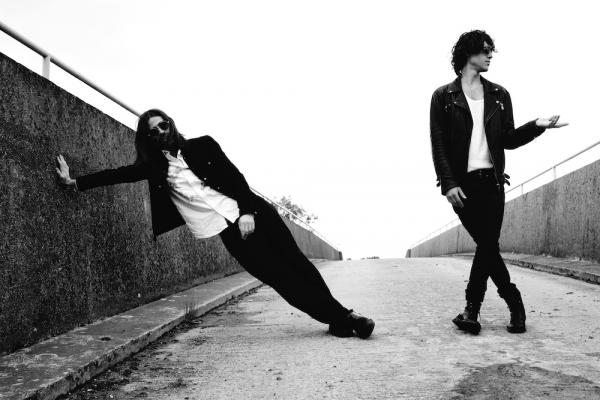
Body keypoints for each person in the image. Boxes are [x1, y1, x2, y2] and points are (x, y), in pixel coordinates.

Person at [56, 109, 375, 339]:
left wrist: (247, 212)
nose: (160, 132)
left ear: (171, 124)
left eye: (163, 125)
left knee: (299, 265)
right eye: (152, 131)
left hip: (255, 213)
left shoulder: (203, 146)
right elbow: (118, 174)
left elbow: (236, 178)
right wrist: (75, 182)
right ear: (147, 139)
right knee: (281, 279)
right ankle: (342, 318)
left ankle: (342, 318)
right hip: (229, 232)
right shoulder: (154, 168)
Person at [429, 30, 567, 335]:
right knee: (488, 245)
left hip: (492, 183)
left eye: (491, 50)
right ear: (468, 54)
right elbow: (439, 145)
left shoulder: (499, 95)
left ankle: (472, 311)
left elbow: (507, 139)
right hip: (462, 186)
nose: (490, 55)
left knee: (486, 245)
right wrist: (448, 183)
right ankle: (514, 301)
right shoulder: (443, 97)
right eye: (485, 50)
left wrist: (536, 126)